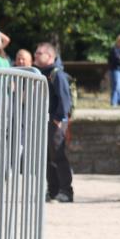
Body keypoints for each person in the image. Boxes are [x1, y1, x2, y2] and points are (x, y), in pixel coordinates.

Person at [35, 43, 74, 203]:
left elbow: (65, 100)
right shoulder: (42, 72)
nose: (35, 55)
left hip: (55, 122)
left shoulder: (57, 74)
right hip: (47, 120)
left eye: (39, 53)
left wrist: (58, 118)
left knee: (58, 156)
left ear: (50, 56)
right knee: (48, 157)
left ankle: (66, 191)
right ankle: (53, 190)